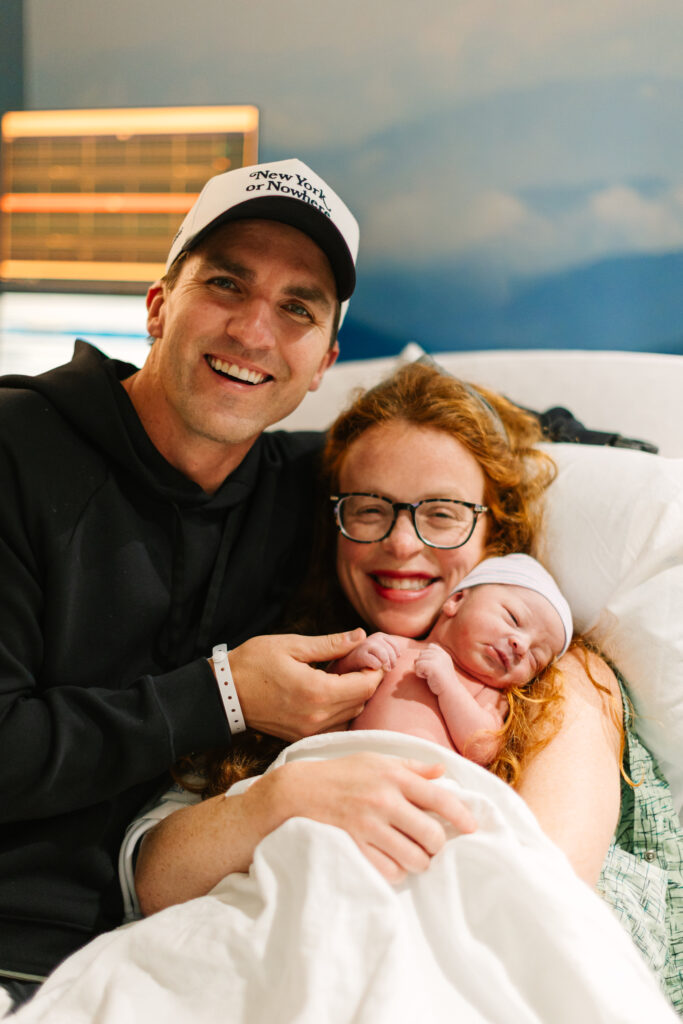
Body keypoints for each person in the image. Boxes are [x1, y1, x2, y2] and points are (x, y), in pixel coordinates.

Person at [127, 362, 682, 1013]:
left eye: (442, 514)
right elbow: (153, 879)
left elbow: (546, 882)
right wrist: (280, 798)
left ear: (493, 535)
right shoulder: (292, 665)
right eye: (368, 509)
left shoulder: (557, 676)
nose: (400, 542)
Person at [0, 156, 395, 1009]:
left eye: (297, 307)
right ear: (156, 306)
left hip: (186, 946)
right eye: (226, 284)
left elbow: (482, 442)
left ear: (323, 361)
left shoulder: (305, 487)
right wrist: (221, 692)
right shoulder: (15, 453)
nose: (255, 332)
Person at [341, 553, 572, 765]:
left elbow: (482, 750)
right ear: (457, 600)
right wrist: (355, 659)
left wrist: (449, 687)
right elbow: (330, 695)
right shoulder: (398, 647)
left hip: (428, 784)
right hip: (352, 764)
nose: (521, 646)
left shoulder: (489, 695)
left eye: (535, 658)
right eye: (513, 618)